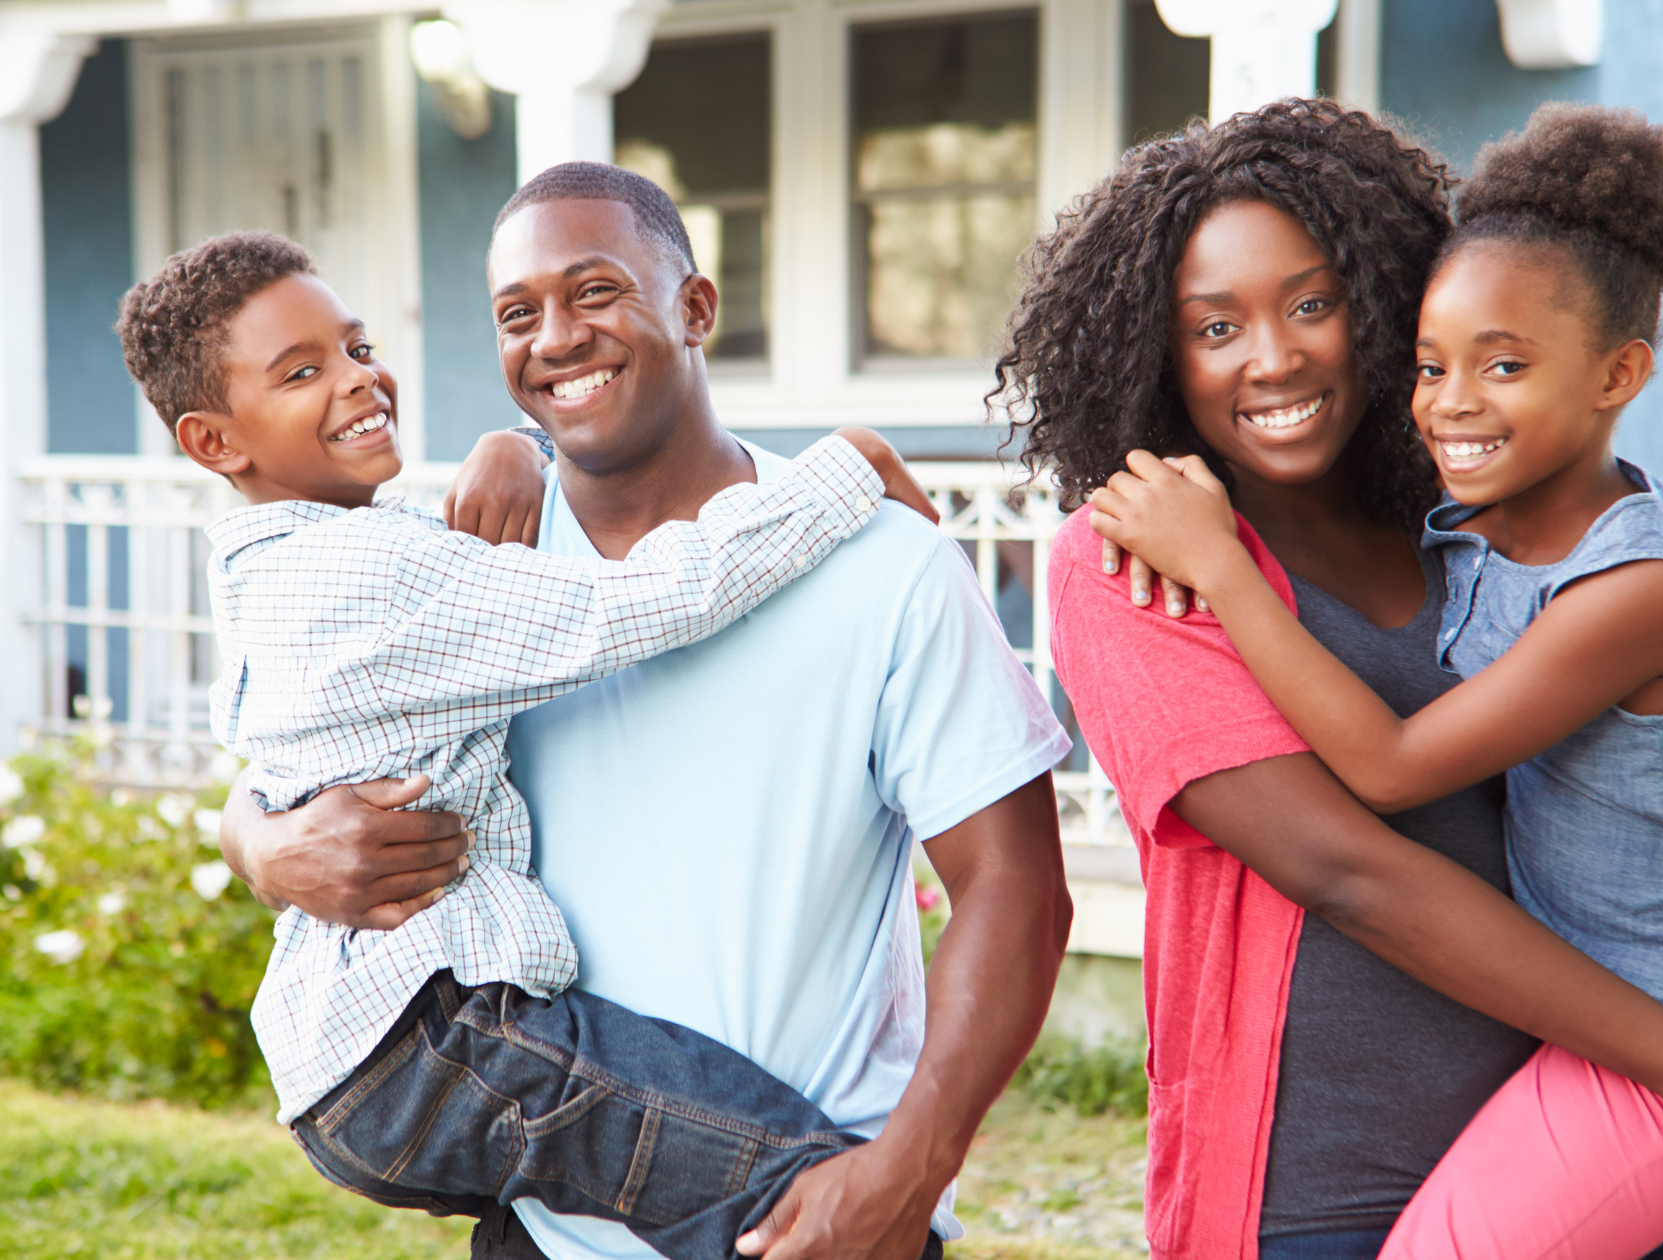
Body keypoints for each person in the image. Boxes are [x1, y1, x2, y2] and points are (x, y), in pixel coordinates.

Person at [999, 99, 1663, 1260]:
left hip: (1591, 1146)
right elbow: (1346, 871)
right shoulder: (1135, 565)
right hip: (1323, 1201)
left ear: (1378, 302)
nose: (1272, 356)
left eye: (1312, 303)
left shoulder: (1471, 526)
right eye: (1213, 328)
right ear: (1156, 349)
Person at [220, 161, 1076, 1260]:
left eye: (594, 292)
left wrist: (902, 1177)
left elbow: (1015, 891)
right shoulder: (473, 565)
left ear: (696, 307)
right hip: (542, 1230)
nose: (557, 337)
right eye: (517, 314)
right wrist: (258, 838)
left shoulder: (885, 565)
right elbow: (303, 732)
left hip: (819, 1220)